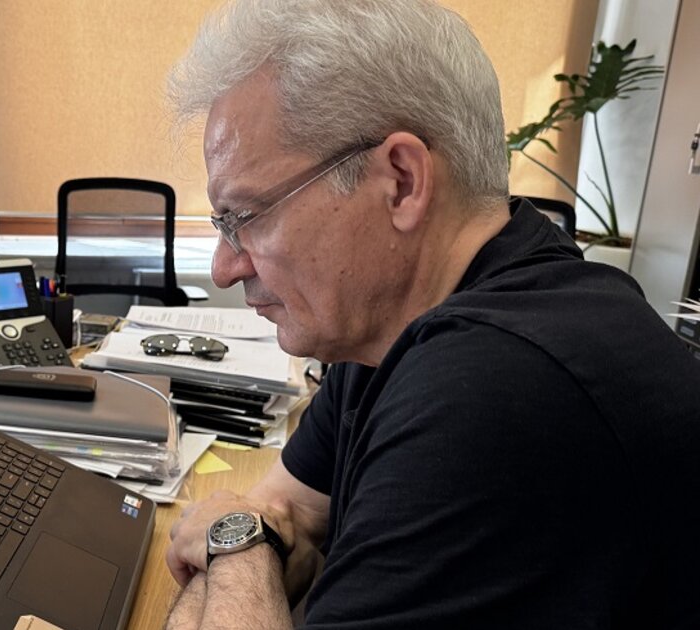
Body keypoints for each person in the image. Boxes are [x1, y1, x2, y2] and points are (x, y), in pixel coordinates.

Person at [162, 1, 700, 628]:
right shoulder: (392, 324)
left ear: (401, 181)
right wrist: (253, 538)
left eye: (246, 217)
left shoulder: (497, 384)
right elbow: (289, 513)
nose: (225, 267)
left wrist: (237, 543)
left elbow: (259, 531)